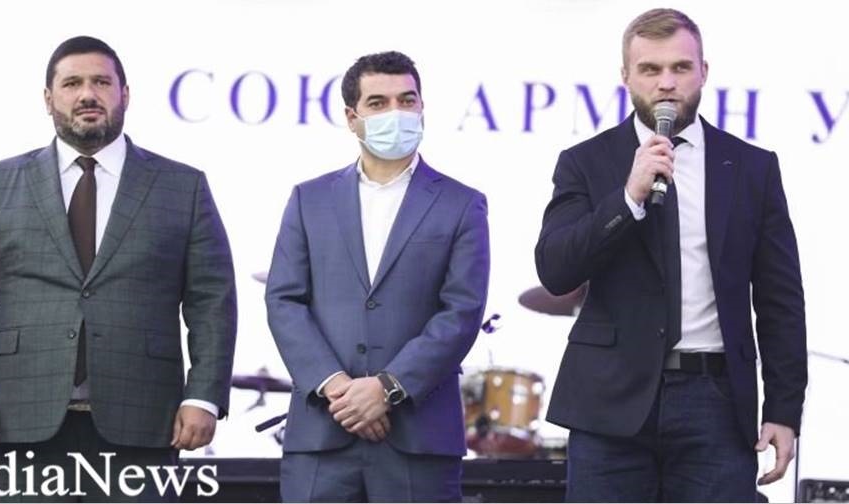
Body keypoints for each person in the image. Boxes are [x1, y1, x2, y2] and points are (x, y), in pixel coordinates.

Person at [0, 36, 237, 501]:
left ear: (125, 94)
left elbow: (212, 302)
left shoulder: (183, 187)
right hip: (20, 415)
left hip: (144, 419)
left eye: (101, 82)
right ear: (48, 99)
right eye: (72, 83)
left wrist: (202, 397)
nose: (87, 94)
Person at [535, 8, 807, 502]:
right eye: (650, 69)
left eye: (680, 67)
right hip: (609, 403)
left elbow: (780, 298)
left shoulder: (752, 167)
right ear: (626, 76)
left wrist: (784, 409)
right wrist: (628, 198)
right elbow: (556, 269)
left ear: (704, 72)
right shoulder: (585, 162)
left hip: (715, 402)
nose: (666, 83)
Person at [265, 51, 489, 502]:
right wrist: (338, 388)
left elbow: (462, 311)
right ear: (352, 117)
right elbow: (284, 300)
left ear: (422, 107)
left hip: (418, 438)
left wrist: (388, 388)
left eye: (407, 100)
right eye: (378, 103)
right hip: (323, 432)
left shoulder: (462, 203)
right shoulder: (309, 199)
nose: (396, 113)